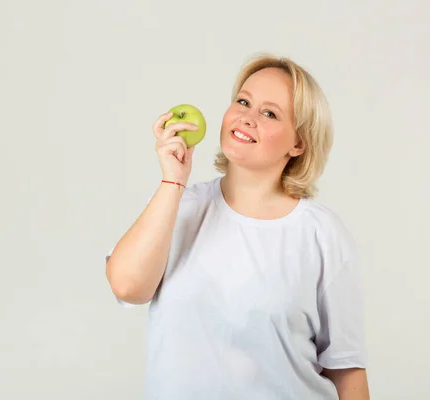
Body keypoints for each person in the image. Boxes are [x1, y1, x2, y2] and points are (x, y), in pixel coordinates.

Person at [105, 54, 370, 399]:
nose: (247, 117)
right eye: (243, 101)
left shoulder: (321, 234)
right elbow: (127, 286)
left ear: (298, 143)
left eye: (269, 113)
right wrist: (173, 180)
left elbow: (347, 369)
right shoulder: (180, 207)